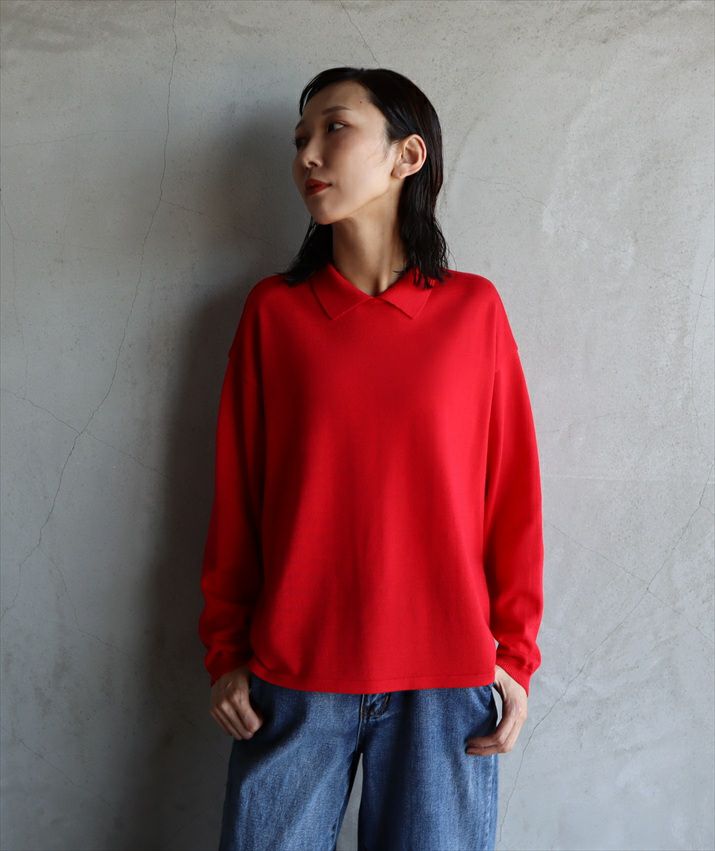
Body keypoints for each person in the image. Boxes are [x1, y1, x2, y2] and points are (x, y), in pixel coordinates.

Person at [198, 66, 544, 851]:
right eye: (299, 139)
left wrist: (515, 656)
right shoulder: (274, 314)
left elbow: (511, 498)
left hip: (446, 679)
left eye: (334, 128)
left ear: (407, 155)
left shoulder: (473, 311)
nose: (307, 155)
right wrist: (225, 650)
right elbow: (237, 494)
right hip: (291, 673)